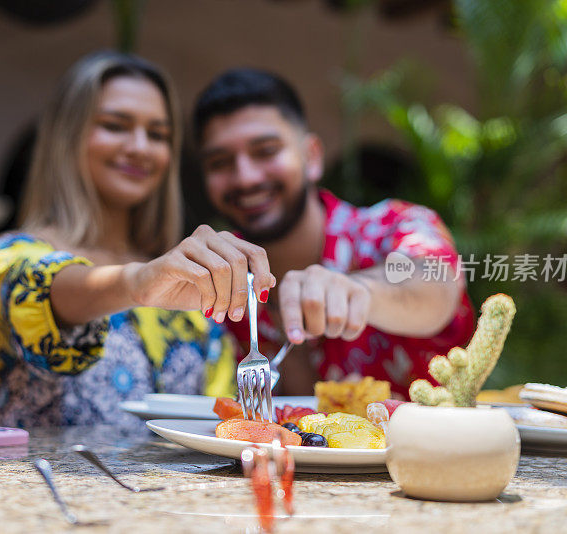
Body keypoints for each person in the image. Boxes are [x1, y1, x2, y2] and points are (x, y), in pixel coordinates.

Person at [0, 51, 275, 428]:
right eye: (115, 124)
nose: (140, 146)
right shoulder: (13, 255)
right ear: (68, 137)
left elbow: (50, 364)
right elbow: (51, 296)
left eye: (158, 134)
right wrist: (139, 282)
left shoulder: (180, 276)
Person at [192, 68, 474, 398]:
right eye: (220, 162)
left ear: (312, 156)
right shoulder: (217, 273)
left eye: (265, 151)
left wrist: (360, 289)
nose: (245, 177)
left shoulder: (395, 225)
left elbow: (436, 283)